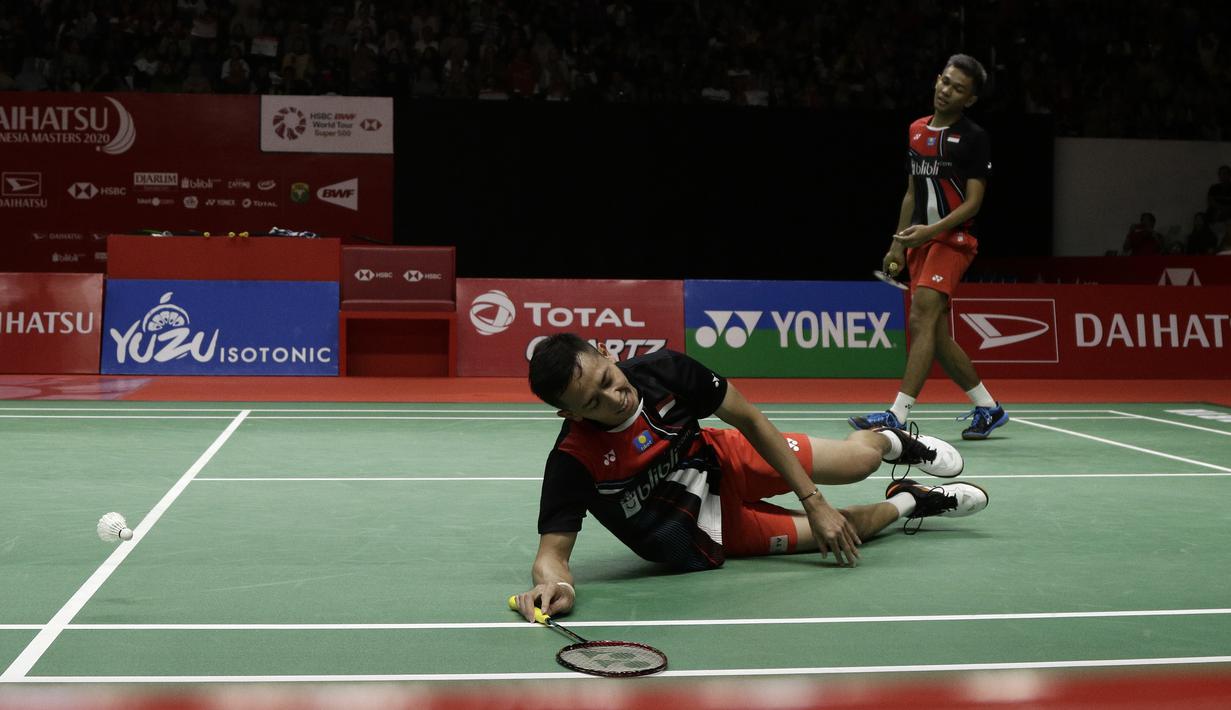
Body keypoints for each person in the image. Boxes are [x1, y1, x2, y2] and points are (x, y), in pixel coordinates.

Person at [512, 334, 987, 621]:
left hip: (729, 459)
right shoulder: (572, 461)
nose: (613, 397)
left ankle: (891, 442)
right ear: (566, 412)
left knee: (856, 464)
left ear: (605, 351)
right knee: (844, 532)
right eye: (592, 401)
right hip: (712, 531)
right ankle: (913, 500)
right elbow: (551, 556)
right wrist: (558, 588)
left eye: (607, 378)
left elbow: (752, 420)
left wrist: (812, 499)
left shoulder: (666, 371)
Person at [849, 54, 1008, 441]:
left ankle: (897, 416)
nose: (946, 90)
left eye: (958, 88)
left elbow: (972, 203)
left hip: (952, 241)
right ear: (937, 79)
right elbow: (911, 193)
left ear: (968, 99)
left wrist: (930, 231)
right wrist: (897, 245)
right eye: (945, 81)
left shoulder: (974, 138)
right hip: (920, 243)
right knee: (934, 335)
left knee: (922, 317)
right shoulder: (917, 130)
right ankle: (989, 408)